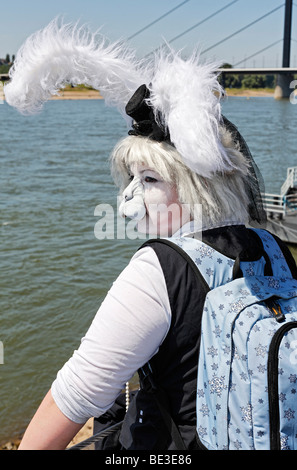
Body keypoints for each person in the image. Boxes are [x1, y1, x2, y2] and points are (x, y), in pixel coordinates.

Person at [5, 19, 297, 450]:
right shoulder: (271, 246)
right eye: (132, 177)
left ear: (196, 184)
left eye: (150, 179)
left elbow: (74, 394)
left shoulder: (160, 267)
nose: (128, 198)